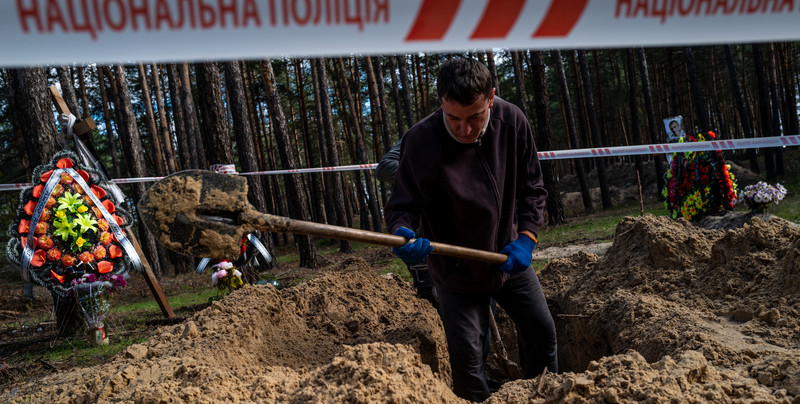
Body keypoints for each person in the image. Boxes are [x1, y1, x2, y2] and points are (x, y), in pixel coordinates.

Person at [383, 58, 557, 401]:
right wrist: (403, 233)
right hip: (455, 270)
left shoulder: (512, 122)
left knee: (542, 330)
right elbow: (402, 205)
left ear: (491, 98)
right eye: (453, 119)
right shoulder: (420, 141)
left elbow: (533, 188)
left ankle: (543, 395)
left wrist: (526, 238)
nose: (464, 130)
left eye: (475, 117)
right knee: (468, 360)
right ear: (441, 103)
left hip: (506, 256)